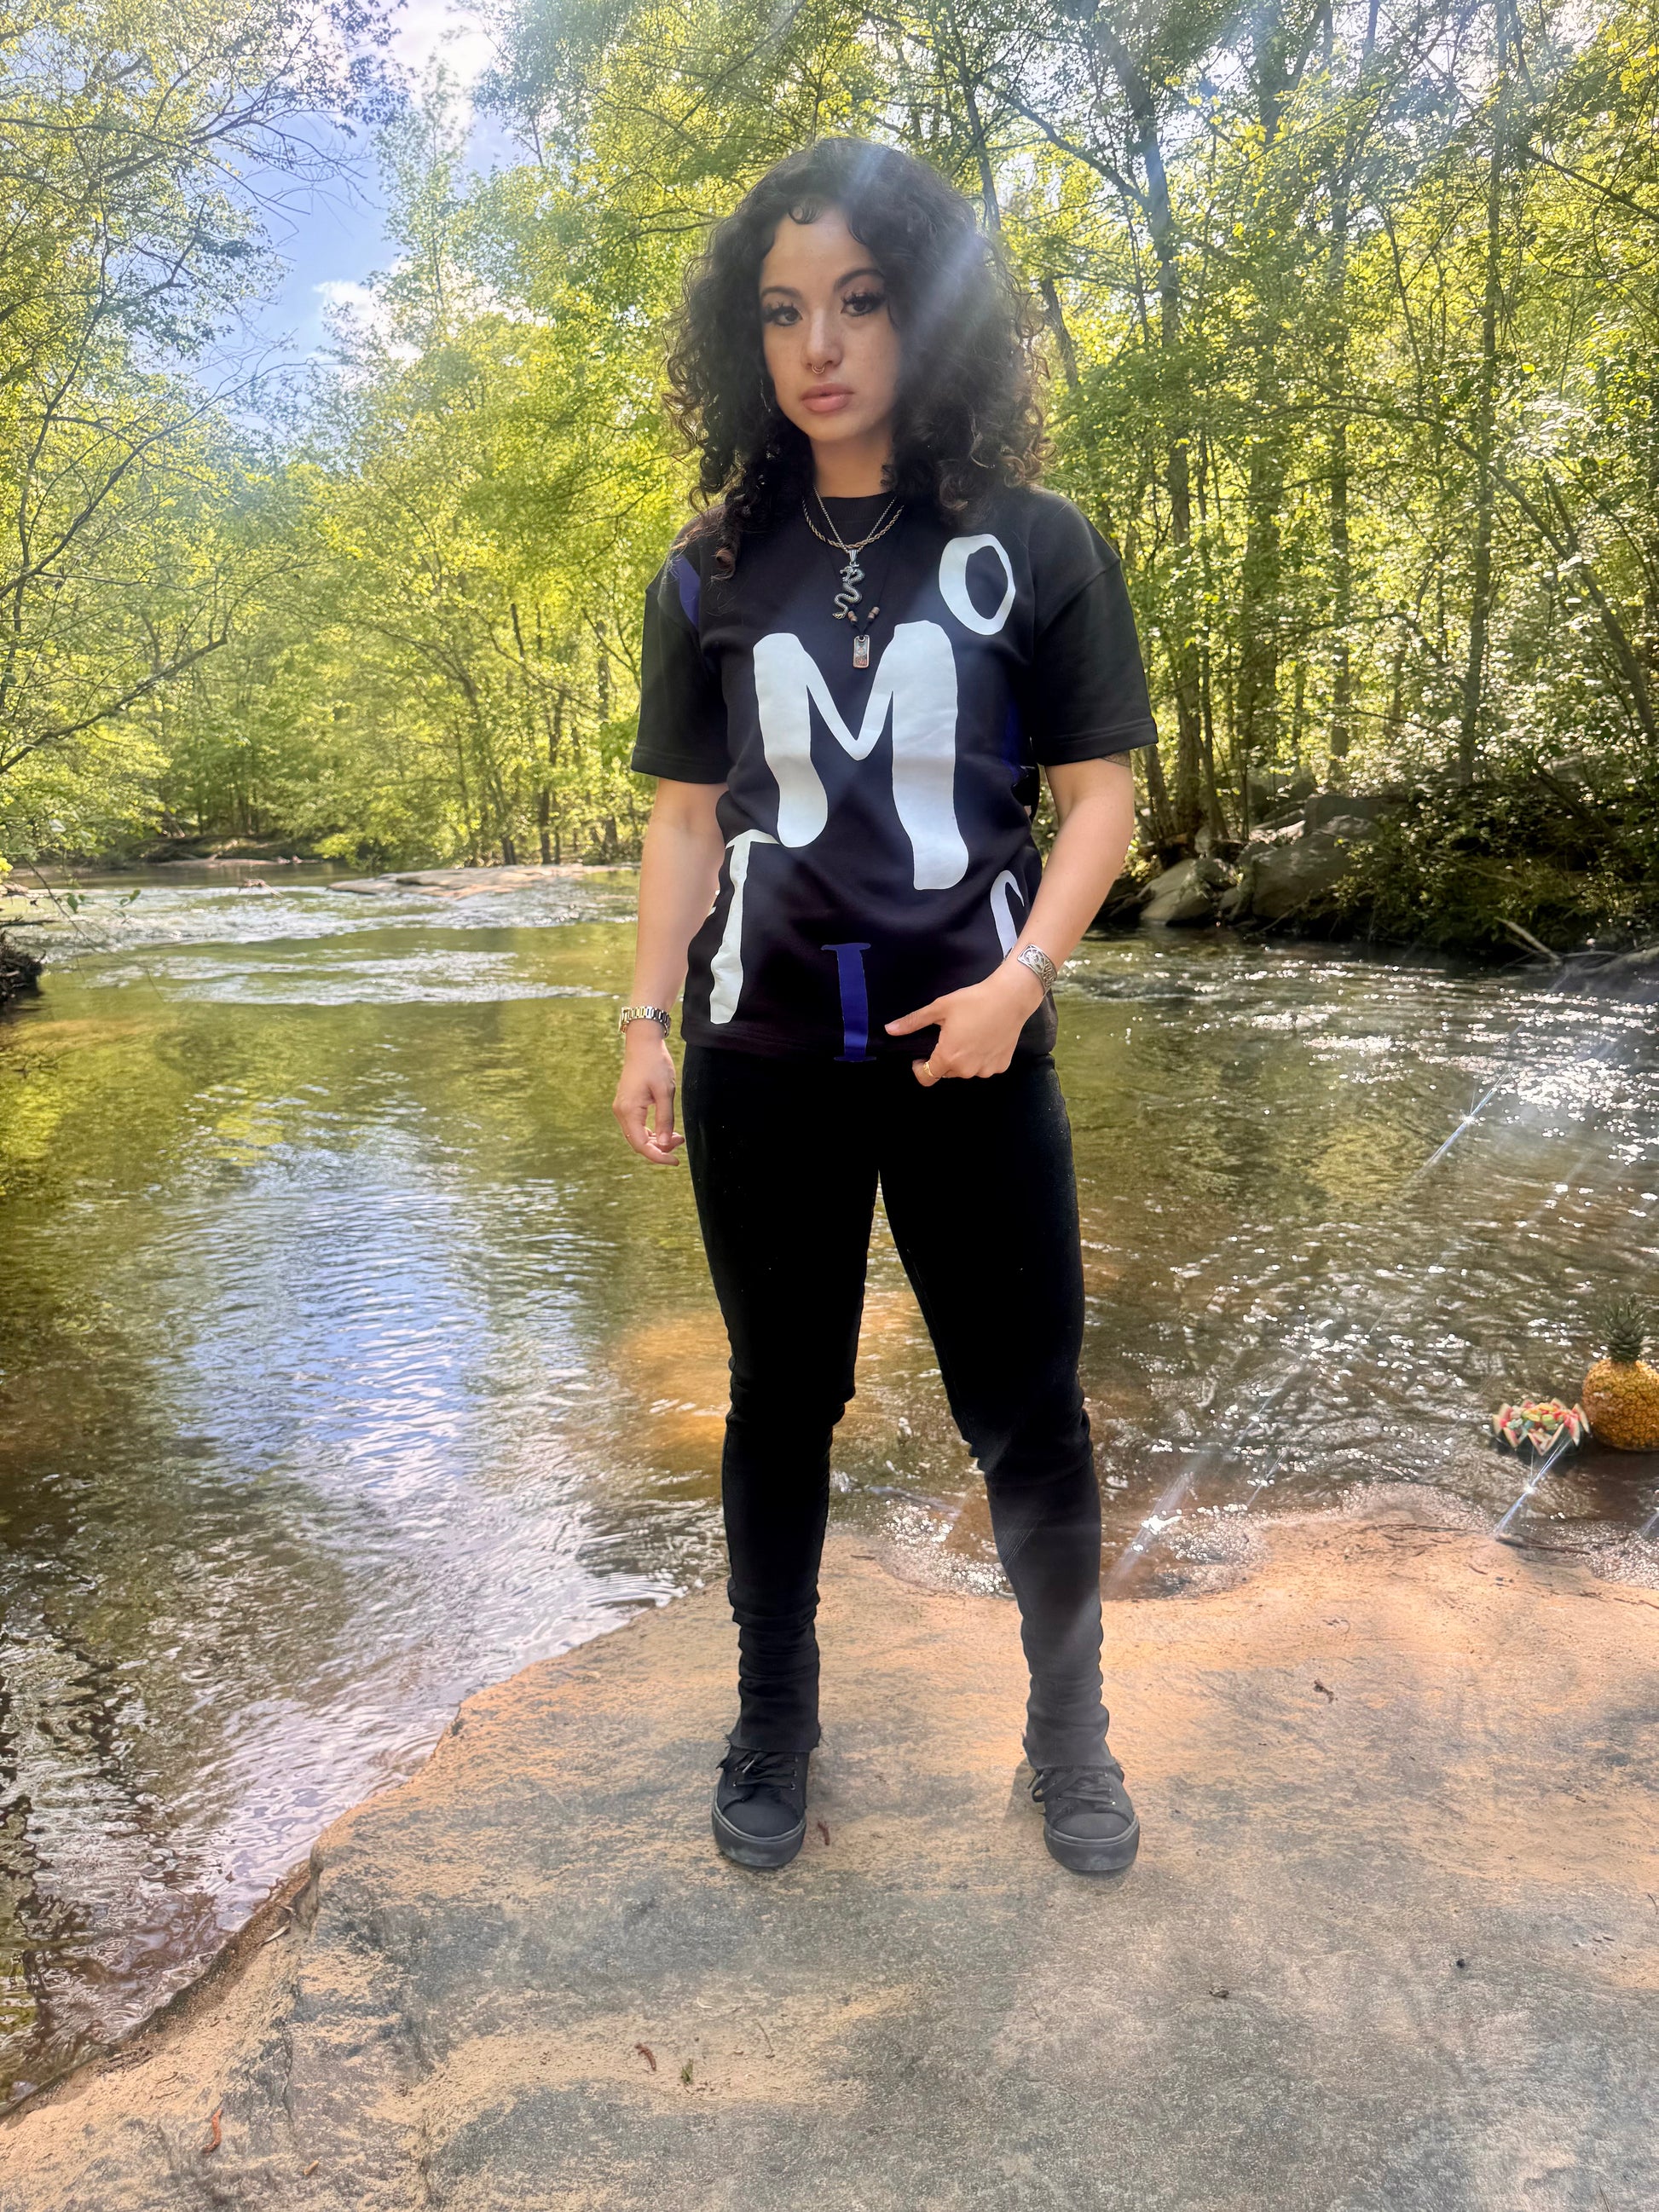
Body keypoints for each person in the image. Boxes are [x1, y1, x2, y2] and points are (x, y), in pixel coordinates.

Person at [612, 138, 1158, 1877]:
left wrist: (1020, 979)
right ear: (746, 340)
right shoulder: (709, 566)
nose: (819, 346)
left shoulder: (1035, 543)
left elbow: (1099, 800)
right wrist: (642, 1020)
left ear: (926, 314)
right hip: (761, 1054)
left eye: (857, 301)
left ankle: (1068, 1732)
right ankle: (773, 1715)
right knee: (780, 1399)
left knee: (1029, 1409)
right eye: (781, 313)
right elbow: (685, 821)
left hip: (972, 1049)